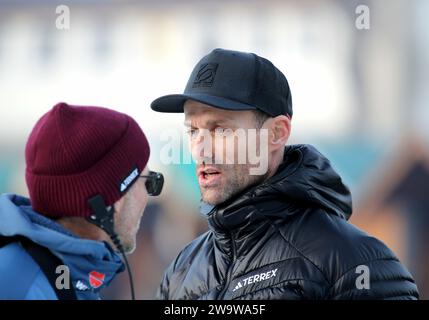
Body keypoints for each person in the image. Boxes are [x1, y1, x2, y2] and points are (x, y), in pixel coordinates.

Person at [150, 48, 419, 299]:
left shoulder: (355, 263)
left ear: (277, 133)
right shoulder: (180, 272)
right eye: (193, 131)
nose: (200, 151)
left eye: (220, 130)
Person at [0, 102, 163, 300]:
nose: (149, 195)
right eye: (149, 182)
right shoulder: (24, 289)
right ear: (111, 203)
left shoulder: (66, 278)